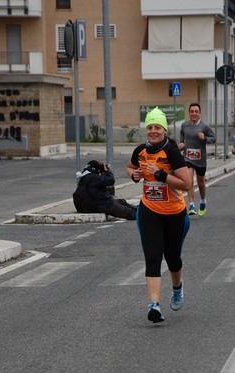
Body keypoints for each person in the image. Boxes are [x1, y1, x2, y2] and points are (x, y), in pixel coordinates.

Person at [126, 106, 191, 323]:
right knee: (153, 258)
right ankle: (154, 305)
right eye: (150, 126)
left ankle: (177, 288)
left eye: (157, 127)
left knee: (172, 258)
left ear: (164, 129)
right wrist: (134, 175)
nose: (153, 130)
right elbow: (130, 167)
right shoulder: (140, 151)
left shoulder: (171, 152)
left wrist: (161, 174)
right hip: (149, 211)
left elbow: (186, 184)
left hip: (174, 213)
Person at [178, 103, 216, 216]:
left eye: (196, 111)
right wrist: (181, 144)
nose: (194, 113)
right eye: (192, 111)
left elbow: (213, 138)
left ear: (199, 113)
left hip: (200, 159)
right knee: (189, 180)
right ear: (189, 112)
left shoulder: (204, 126)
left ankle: (203, 200)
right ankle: (191, 205)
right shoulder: (184, 125)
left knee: (200, 183)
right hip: (188, 158)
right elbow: (182, 137)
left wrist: (204, 138)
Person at [73, 160, 137, 220]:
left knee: (121, 202)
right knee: (127, 212)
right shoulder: (93, 178)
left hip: (91, 205)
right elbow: (111, 180)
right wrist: (107, 171)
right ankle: (141, 215)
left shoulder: (84, 178)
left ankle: (139, 210)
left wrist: (103, 173)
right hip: (103, 205)